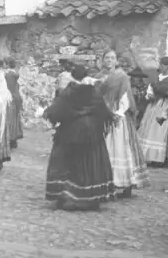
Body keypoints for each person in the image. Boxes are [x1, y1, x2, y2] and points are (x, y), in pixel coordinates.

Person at [44, 65, 116, 211]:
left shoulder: (68, 92)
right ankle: (91, 197)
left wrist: (51, 116)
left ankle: (66, 195)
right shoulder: (94, 92)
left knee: (67, 163)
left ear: (72, 75)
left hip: (70, 132)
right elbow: (104, 112)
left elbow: (56, 111)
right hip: (92, 133)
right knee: (91, 163)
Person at [95, 51, 150, 198]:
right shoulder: (98, 76)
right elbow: (95, 95)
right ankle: (104, 182)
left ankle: (126, 184)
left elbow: (126, 95)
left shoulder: (122, 76)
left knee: (121, 147)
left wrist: (119, 112)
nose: (109, 60)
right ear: (102, 60)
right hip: (102, 113)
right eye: (107, 58)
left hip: (118, 114)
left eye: (112, 58)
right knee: (105, 147)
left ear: (116, 61)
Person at [138, 56, 168, 166]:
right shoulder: (158, 76)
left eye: (162, 64)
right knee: (149, 129)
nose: (160, 66)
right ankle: (149, 156)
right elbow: (150, 88)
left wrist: (167, 92)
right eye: (160, 64)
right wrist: (150, 95)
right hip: (153, 106)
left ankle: (158, 158)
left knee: (160, 130)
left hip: (164, 106)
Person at [4, 58, 24, 149]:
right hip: (16, 97)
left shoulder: (8, 75)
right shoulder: (15, 73)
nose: (3, 65)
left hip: (10, 98)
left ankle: (10, 139)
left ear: (7, 64)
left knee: (9, 119)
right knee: (15, 118)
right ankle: (14, 140)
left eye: (4, 63)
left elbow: (8, 88)